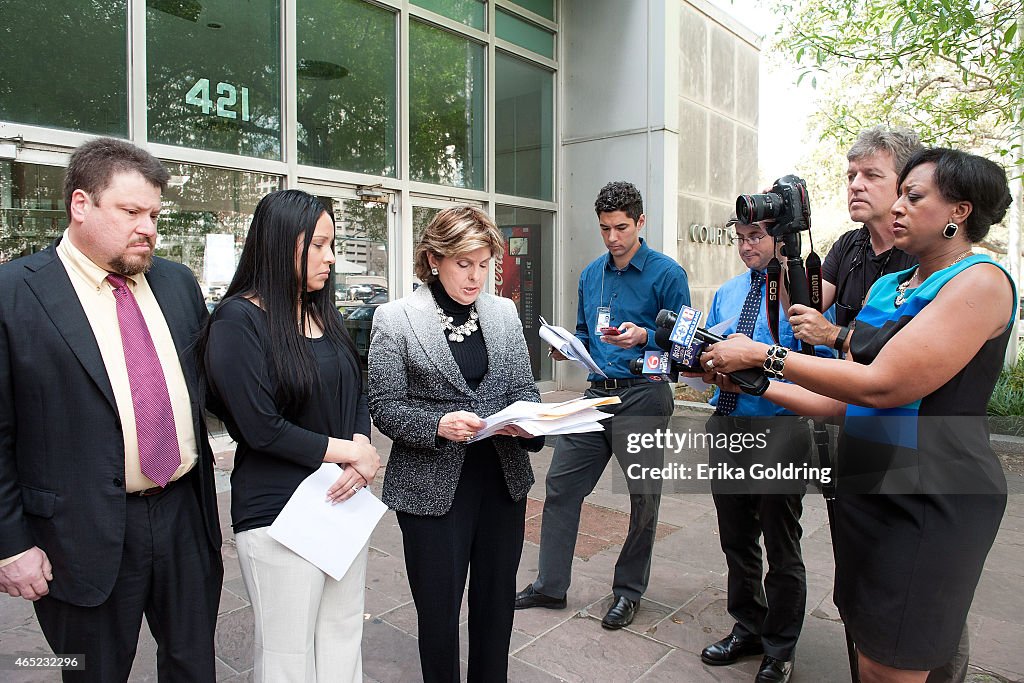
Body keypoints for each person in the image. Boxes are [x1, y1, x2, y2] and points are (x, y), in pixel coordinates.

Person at [699, 148, 1014, 683]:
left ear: (959, 212)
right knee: (868, 651)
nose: (897, 207)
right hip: (866, 484)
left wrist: (761, 356)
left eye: (913, 197)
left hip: (929, 491)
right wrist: (754, 383)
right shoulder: (888, 286)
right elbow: (840, 403)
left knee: (897, 663)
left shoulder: (980, 283)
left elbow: (882, 385)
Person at [0, 137, 223, 681]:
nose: (148, 227)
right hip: (77, 534)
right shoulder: (13, 293)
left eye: (154, 214)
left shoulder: (176, 283)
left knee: (193, 666)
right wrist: (10, 546)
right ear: (81, 205)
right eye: (131, 212)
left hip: (183, 517)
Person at [199, 189, 380, 682]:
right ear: (281, 244)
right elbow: (261, 428)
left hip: (343, 498)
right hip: (280, 512)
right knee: (287, 658)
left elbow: (355, 390)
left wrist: (361, 451)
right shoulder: (239, 320)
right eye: (318, 245)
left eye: (332, 244)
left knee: (343, 636)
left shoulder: (323, 311)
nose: (331, 257)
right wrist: (355, 453)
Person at [367, 206, 543, 683]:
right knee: (438, 614)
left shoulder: (503, 313)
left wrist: (529, 425)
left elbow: (524, 392)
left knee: (496, 607)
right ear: (434, 259)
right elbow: (384, 407)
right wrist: (438, 423)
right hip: (432, 491)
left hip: (501, 484)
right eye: (464, 264)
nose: (476, 277)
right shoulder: (396, 318)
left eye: (485, 264)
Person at [515, 181, 690, 629]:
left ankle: (628, 592)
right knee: (560, 484)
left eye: (621, 227)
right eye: (605, 228)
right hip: (596, 393)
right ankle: (551, 586)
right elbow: (584, 331)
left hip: (645, 394)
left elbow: (683, 348)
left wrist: (645, 336)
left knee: (642, 499)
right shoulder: (591, 274)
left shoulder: (668, 275)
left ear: (641, 222)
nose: (612, 238)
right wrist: (568, 349)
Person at [699, 215, 834, 683]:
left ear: (783, 240)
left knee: (781, 544)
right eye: (739, 238)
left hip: (780, 431)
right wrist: (707, 364)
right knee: (736, 540)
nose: (745, 247)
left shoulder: (805, 295)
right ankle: (748, 627)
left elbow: (823, 370)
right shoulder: (729, 291)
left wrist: (759, 365)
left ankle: (780, 647)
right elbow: (708, 358)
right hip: (727, 425)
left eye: (755, 237)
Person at [787, 126, 922, 353]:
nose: (855, 185)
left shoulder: (924, 253)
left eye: (872, 175)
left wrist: (832, 335)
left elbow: (910, 350)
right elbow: (802, 312)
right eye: (851, 176)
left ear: (906, 185)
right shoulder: (848, 245)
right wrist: (784, 240)